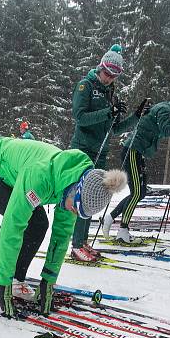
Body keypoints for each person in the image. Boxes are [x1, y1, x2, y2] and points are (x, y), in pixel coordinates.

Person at [0, 137, 127, 317]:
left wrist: (49, 278)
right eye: (75, 206)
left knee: (39, 223)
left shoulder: (71, 183)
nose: (73, 210)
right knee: (22, 220)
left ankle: (16, 278)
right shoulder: (41, 176)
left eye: (79, 212)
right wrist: (3, 280)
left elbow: (62, 234)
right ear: (76, 190)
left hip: (10, 175)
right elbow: (13, 226)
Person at [69, 44, 140, 262]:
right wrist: (108, 111)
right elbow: (80, 117)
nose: (109, 78)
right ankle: (75, 244)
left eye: (114, 75)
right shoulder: (86, 86)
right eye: (107, 73)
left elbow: (114, 128)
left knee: (93, 198)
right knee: (82, 197)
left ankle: (82, 241)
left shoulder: (111, 93)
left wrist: (136, 116)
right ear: (101, 67)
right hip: (83, 149)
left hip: (101, 151)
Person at [102, 93, 170, 243]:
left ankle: (110, 217)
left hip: (137, 152)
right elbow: (167, 130)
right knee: (136, 193)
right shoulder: (165, 110)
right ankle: (123, 231)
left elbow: (161, 132)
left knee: (140, 192)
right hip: (132, 151)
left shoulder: (166, 110)